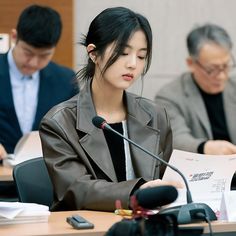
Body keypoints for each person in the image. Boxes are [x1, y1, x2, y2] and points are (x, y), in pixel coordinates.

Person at [39, 7, 178, 211]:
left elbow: (168, 179)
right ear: (93, 53)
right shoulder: (59, 122)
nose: (133, 64)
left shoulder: (155, 115)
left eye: (141, 56)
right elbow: (76, 190)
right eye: (123, 53)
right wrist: (137, 192)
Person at [0, 4, 78, 159]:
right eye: (28, 53)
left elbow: (76, 130)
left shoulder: (65, 80)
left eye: (44, 56)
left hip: (45, 177)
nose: (34, 63)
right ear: (15, 37)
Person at [155, 23, 236, 155]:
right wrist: (204, 147)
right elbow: (175, 138)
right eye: (212, 69)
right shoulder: (169, 96)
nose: (221, 76)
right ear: (191, 63)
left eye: (226, 66)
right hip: (203, 169)